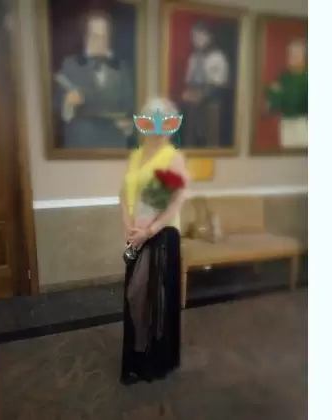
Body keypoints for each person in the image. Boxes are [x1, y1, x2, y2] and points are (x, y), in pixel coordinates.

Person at [119, 98, 189, 384]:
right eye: (151, 123)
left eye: (166, 124)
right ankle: (138, 354)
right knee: (137, 296)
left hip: (161, 234)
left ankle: (152, 358)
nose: (158, 131)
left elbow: (174, 201)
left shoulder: (173, 157)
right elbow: (124, 194)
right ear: (142, 124)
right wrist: (128, 226)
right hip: (136, 234)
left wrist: (148, 231)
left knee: (147, 296)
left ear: (172, 127)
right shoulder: (136, 156)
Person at [53, 12, 134, 148]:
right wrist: (68, 103)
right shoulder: (70, 66)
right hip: (82, 143)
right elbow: (58, 111)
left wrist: (128, 124)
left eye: (103, 36)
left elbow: (130, 106)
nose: (100, 41)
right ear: (86, 37)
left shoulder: (122, 68)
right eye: (95, 36)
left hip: (114, 143)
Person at [181, 21, 230, 148]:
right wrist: (188, 93)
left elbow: (221, 84)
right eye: (193, 36)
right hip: (193, 104)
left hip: (211, 104)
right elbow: (189, 80)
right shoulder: (193, 58)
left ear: (208, 37)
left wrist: (202, 94)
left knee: (210, 138)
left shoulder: (218, 57)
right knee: (191, 137)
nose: (196, 40)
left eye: (199, 36)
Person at [265, 38, 308, 148]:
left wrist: (280, 94)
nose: (290, 58)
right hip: (286, 123)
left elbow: (295, 101)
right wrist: (274, 94)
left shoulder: (307, 77)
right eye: (289, 54)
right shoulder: (284, 77)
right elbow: (273, 101)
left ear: (303, 56)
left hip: (303, 124)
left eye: (295, 54)